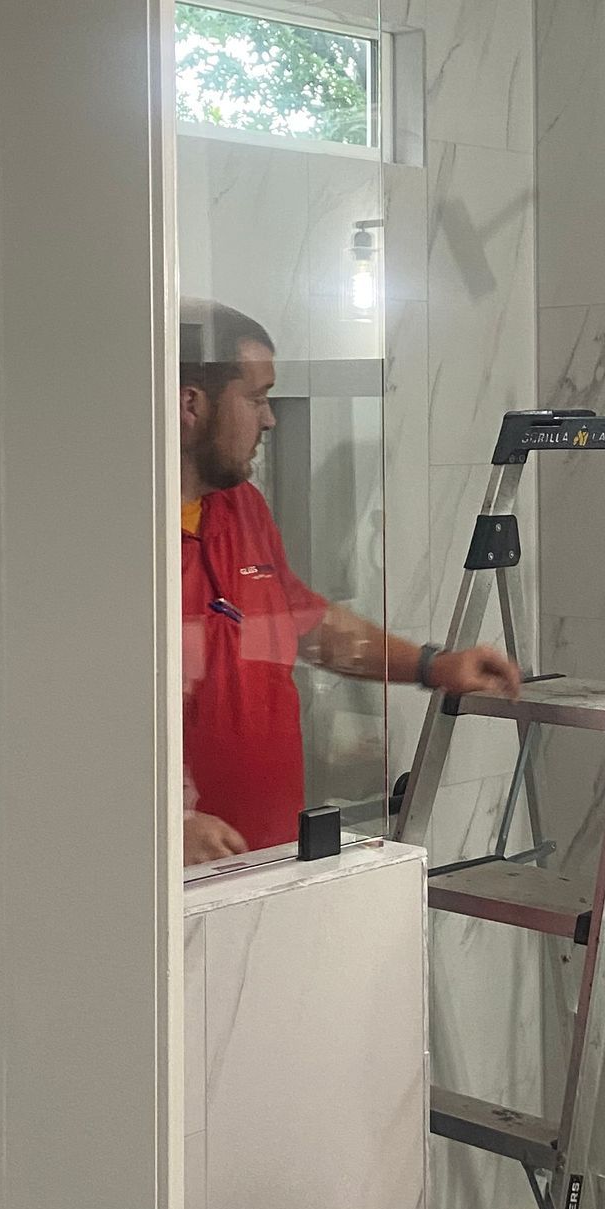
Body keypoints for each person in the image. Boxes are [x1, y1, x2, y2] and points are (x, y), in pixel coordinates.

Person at [179, 298, 519, 866]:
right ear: (192, 404)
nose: (271, 419)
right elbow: (77, 719)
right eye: (257, 399)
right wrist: (164, 827)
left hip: (274, 858)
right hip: (174, 884)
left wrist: (432, 666)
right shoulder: (123, 545)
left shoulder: (242, 508)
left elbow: (305, 624)